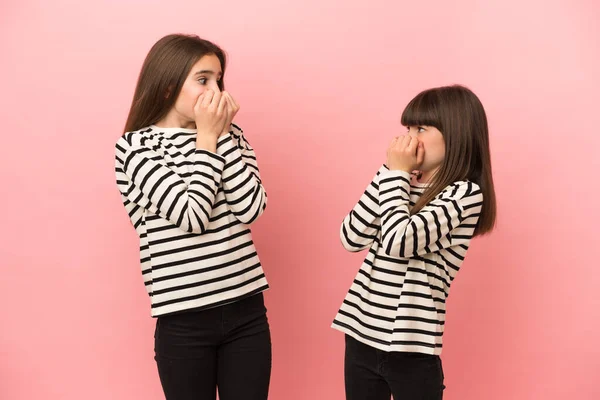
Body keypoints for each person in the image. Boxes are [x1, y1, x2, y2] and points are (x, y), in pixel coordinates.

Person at [114, 33, 271, 400]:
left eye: (219, 80)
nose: (216, 92)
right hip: (184, 320)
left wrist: (222, 136)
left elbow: (252, 208)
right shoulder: (135, 148)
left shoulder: (231, 136)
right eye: (203, 80)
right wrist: (208, 138)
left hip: (246, 309)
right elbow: (192, 215)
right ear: (168, 86)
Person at [332, 85, 497, 399]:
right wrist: (391, 173)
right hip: (361, 333)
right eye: (407, 128)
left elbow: (398, 241)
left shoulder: (464, 194)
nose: (408, 138)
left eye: (421, 128)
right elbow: (351, 237)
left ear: (456, 133)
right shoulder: (400, 181)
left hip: (411, 344)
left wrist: (396, 175)